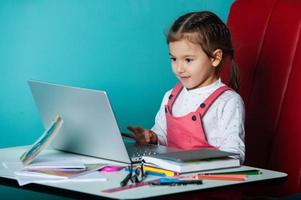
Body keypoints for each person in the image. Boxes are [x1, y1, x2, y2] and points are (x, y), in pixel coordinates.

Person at [123, 11, 245, 163]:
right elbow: (163, 134)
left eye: (188, 60)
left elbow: (235, 153)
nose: (179, 68)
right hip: (171, 176)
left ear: (215, 58)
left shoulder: (228, 101)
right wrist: (152, 138)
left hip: (207, 180)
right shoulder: (171, 96)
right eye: (173, 59)